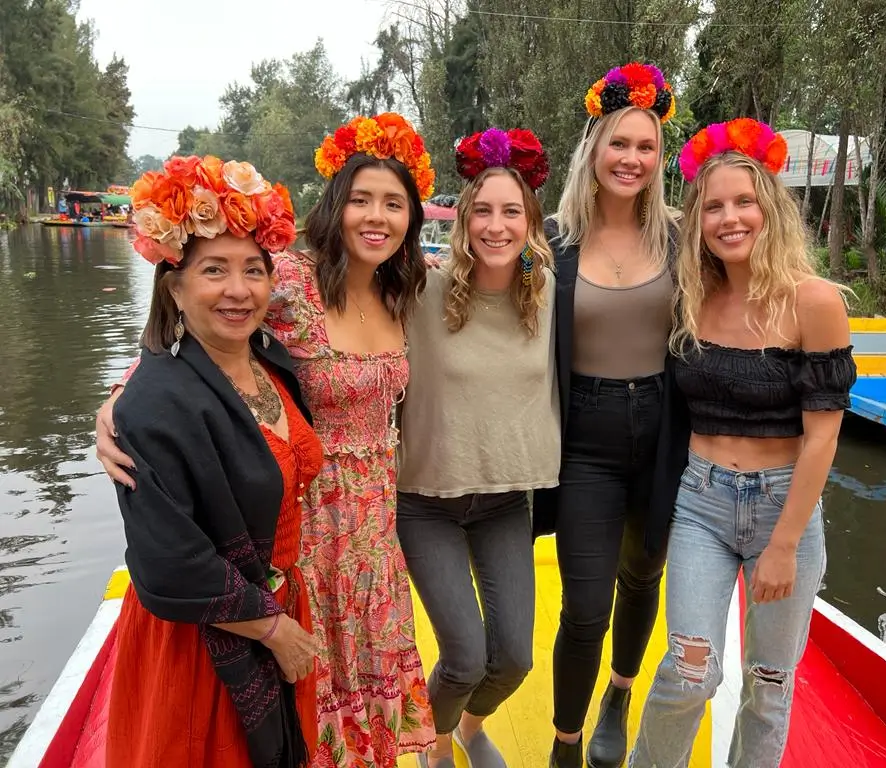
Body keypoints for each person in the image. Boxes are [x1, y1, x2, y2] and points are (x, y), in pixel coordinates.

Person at [96, 113, 437, 767]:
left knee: (370, 686)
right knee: (308, 691)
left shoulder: (402, 288)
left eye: (394, 204)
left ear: (411, 217)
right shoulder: (286, 280)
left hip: (374, 533)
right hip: (305, 521)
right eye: (361, 199)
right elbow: (200, 324)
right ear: (335, 206)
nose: (377, 217)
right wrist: (115, 404)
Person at [629, 119, 857, 768]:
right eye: (714, 206)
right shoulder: (692, 299)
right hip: (701, 500)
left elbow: (823, 434)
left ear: (770, 209)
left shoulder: (813, 303)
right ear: (697, 220)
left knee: (769, 683)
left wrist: (784, 543)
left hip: (785, 508)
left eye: (744, 202)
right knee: (691, 670)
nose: (730, 218)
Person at [104, 157, 322, 768]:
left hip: (274, 605)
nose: (239, 289)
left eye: (254, 270)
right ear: (174, 286)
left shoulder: (275, 366)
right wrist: (274, 631)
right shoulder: (153, 400)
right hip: (206, 637)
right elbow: (167, 561)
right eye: (214, 270)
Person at [534, 62, 687, 768]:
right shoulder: (552, 241)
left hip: (662, 429)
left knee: (642, 575)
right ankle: (566, 741)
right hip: (584, 438)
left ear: (660, 159)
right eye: (619, 144)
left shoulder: (683, 240)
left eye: (646, 147)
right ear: (594, 148)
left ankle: (619, 696)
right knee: (585, 605)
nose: (632, 158)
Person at [396, 127, 559, 768]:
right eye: (483, 212)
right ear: (463, 221)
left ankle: (469, 726)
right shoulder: (419, 290)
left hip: (503, 502)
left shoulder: (547, 293)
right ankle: (436, 744)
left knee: (514, 656)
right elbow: (316, 314)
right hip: (427, 500)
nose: (497, 226)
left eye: (511, 212)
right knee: (463, 654)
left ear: (530, 223)